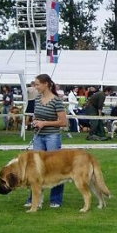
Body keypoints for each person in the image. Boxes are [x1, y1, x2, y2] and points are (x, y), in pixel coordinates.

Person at [24, 74, 68, 209]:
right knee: (35, 169)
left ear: (46, 84)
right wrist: (35, 122)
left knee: (56, 167)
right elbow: (37, 116)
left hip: (52, 137)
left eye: (37, 84)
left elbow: (63, 122)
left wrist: (45, 123)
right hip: (39, 136)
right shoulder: (37, 99)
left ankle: (56, 199)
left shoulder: (56, 101)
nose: (35, 87)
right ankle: (34, 199)